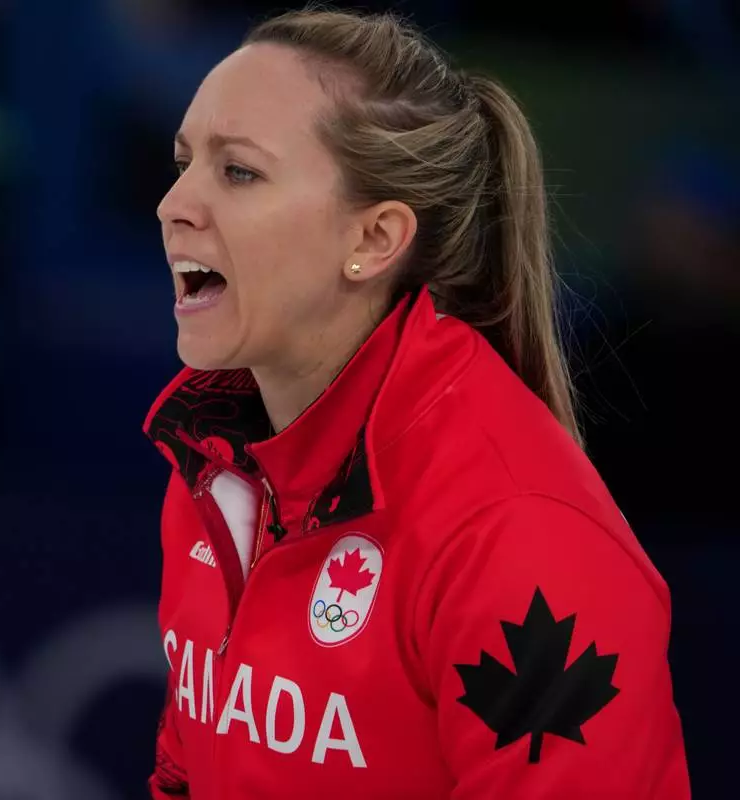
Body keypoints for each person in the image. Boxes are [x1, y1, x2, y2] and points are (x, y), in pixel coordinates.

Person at [141, 8, 690, 798]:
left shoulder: (516, 534)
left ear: (373, 240)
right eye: (184, 160)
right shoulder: (215, 463)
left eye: (238, 172)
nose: (174, 204)